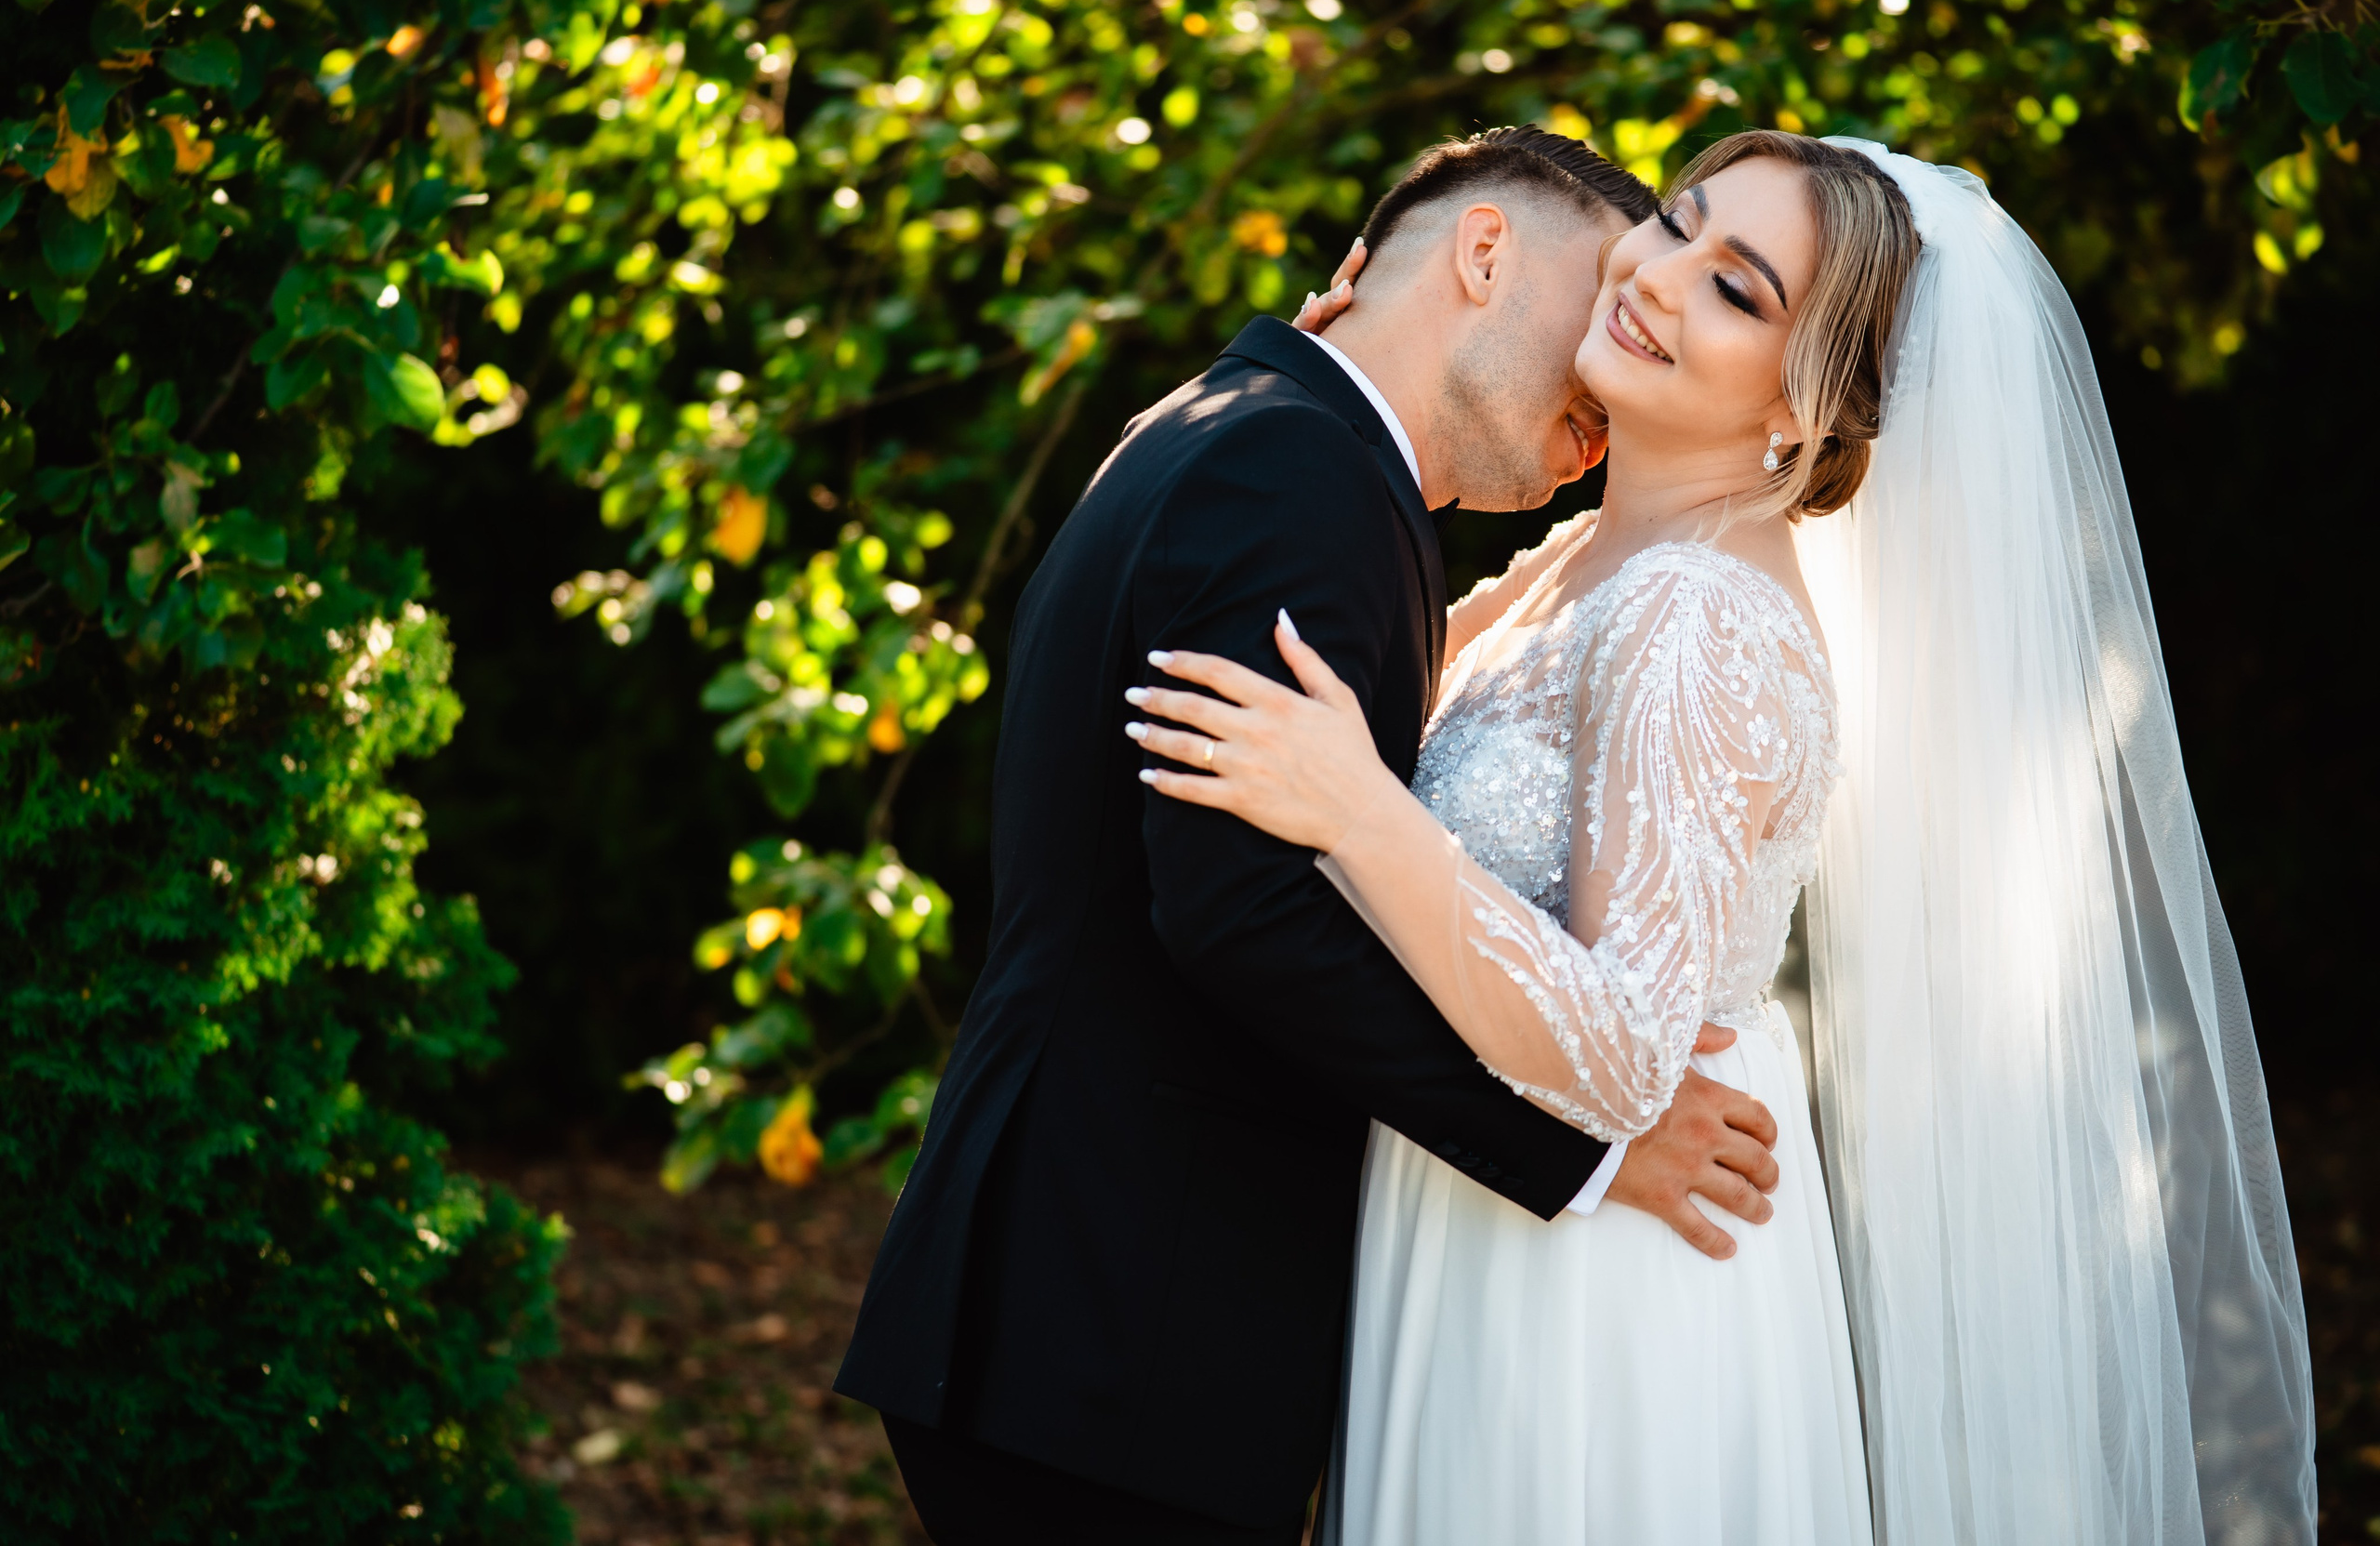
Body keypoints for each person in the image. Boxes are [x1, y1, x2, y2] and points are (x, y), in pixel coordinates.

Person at [1134, 133, 2317, 1543]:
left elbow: (1627, 1053)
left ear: (1801, 416)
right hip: (1490, 1225)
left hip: (1601, 1294)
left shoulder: (1701, 620)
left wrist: (1364, 814)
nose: (1658, 277)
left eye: (1739, 292)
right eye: (1681, 224)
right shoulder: (1597, 564)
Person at [835, 127, 1787, 1544]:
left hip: (1074, 1311)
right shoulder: (1298, 475)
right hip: (1122, 1323)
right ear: (1481, 254)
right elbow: (1244, 912)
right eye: (1599, 298)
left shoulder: (1240, 430)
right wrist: (1587, 1152)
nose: (1605, 369)